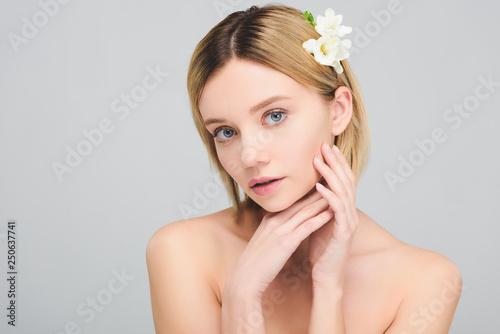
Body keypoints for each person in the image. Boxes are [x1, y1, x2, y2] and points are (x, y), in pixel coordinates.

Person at [146, 4, 462, 333]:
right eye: (226, 132)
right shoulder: (180, 253)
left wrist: (329, 289)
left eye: (275, 115)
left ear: (338, 111)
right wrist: (241, 295)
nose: (250, 155)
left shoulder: (426, 282)